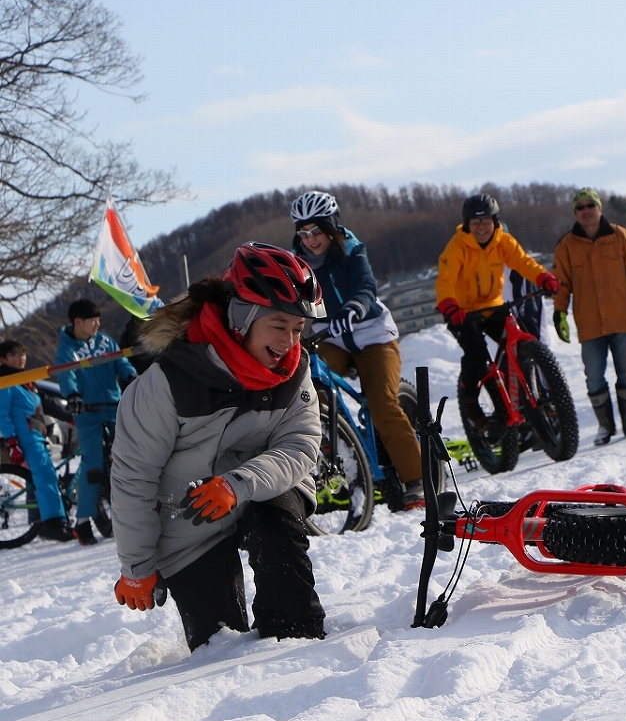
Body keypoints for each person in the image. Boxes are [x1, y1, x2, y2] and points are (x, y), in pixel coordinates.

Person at [110, 243, 327, 652]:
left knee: (276, 531)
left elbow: (300, 444)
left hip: (262, 492)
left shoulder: (295, 371)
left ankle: (301, 651)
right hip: (190, 518)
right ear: (242, 319)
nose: (289, 342)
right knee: (216, 647)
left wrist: (238, 484)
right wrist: (137, 568)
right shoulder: (167, 382)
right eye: (278, 325)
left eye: (299, 329)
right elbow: (133, 477)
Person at [290, 190, 422, 511]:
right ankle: (334, 459)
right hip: (331, 338)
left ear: (331, 226)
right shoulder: (295, 265)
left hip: (372, 334)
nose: (310, 240)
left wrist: (354, 308)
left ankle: (417, 480)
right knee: (308, 391)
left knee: (382, 405)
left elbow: (366, 286)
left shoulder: (351, 250)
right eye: (303, 233)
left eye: (317, 231)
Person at [436, 194, 560, 431]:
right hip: (461, 311)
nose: (481, 227)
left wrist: (544, 277)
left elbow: (523, 262)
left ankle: (532, 390)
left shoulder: (504, 241)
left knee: (522, 338)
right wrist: (450, 306)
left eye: (486, 221)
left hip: (492, 306)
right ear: (467, 224)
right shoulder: (456, 247)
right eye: (475, 222)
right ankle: (470, 397)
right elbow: (445, 281)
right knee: (476, 353)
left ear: (495, 222)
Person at [552, 188, 626, 444]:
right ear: (576, 212)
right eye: (580, 207)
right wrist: (559, 312)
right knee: (594, 376)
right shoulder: (567, 246)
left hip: (621, 317)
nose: (586, 211)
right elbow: (561, 284)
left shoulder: (621, 236)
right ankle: (605, 426)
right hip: (589, 323)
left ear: (599, 208)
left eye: (590, 205)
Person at [54, 298, 137, 545]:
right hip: (87, 412)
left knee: (129, 458)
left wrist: (132, 376)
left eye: (98, 320)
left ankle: (139, 515)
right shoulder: (67, 348)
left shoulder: (105, 341)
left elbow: (120, 362)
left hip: (114, 407)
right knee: (93, 467)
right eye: (92, 321)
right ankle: (82, 522)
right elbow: (65, 374)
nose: (97, 324)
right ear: (78, 322)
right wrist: (73, 395)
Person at [0, 340, 72, 541]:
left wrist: (69, 417)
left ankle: (41, 521)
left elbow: (47, 404)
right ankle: (52, 524)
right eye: (14, 354)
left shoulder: (26, 381)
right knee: (46, 477)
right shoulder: (5, 381)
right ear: (3, 359)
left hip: (37, 436)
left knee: (41, 479)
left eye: (22, 353)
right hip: (25, 437)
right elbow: (2, 414)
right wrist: (12, 443)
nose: (21, 358)